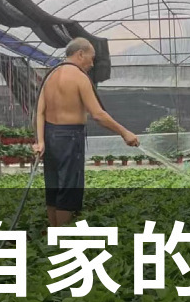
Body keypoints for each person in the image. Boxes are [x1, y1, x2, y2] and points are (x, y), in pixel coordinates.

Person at [33, 38, 140, 226]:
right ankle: (62, 238)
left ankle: (52, 234)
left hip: (50, 136)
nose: (92, 64)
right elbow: (98, 114)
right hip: (69, 137)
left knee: (54, 186)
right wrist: (124, 133)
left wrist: (40, 141)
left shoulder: (50, 76)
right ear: (80, 54)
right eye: (91, 58)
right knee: (69, 188)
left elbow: (39, 112)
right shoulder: (80, 77)